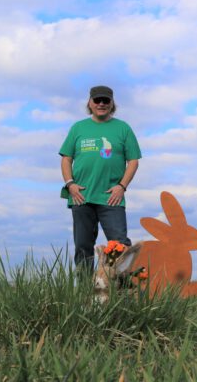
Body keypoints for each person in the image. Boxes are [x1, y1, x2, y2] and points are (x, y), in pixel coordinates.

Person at [60, 86, 141, 272]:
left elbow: (134, 161)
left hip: (111, 197)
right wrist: (70, 184)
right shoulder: (78, 128)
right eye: (97, 100)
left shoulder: (123, 128)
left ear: (112, 104)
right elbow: (66, 158)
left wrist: (122, 186)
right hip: (81, 196)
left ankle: (119, 288)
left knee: (120, 245)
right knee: (83, 247)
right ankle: (84, 293)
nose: (101, 104)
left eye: (106, 100)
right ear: (90, 103)